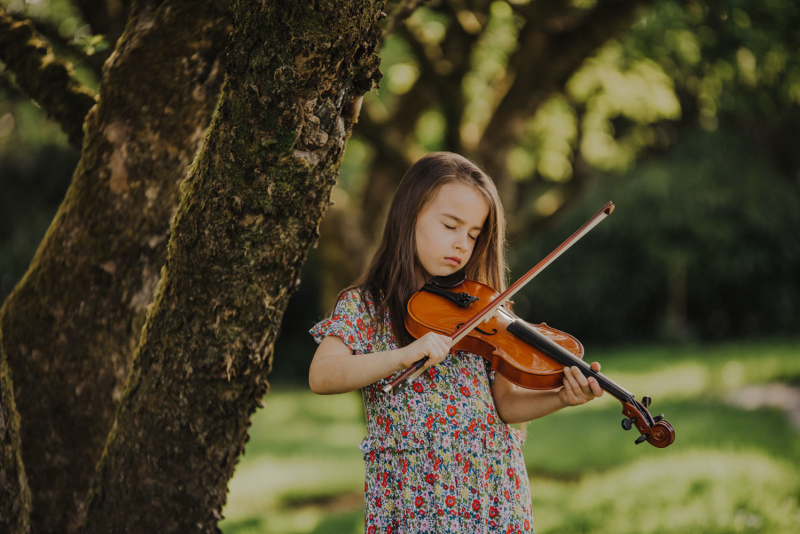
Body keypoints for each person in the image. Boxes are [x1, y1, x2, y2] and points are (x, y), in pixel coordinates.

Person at [308, 151, 603, 534]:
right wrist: (403, 355)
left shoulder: (483, 310)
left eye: (474, 234)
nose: (462, 244)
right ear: (407, 216)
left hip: (491, 491)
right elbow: (323, 375)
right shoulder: (366, 305)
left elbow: (507, 404)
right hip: (413, 495)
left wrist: (561, 396)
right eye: (450, 226)